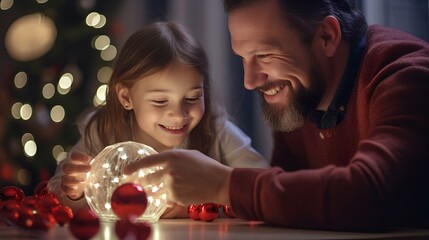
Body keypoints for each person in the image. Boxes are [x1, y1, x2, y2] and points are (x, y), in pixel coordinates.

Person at [123, 0, 429, 231]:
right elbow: (287, 199)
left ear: (327, 37)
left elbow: (369, 194)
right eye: (243, 58)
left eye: (264, 55)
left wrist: (222, 185)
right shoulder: (300, 97)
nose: (250, 80)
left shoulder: (404, 75)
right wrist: (208, 199)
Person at [47, 21, 269, 218]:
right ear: (126, 97)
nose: (179, 113)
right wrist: (74, 194)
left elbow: (262, 186)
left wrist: (197, 205)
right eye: (161, 101)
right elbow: (55, 193)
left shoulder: (216, 132)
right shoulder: (103, 131)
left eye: (192, 97)